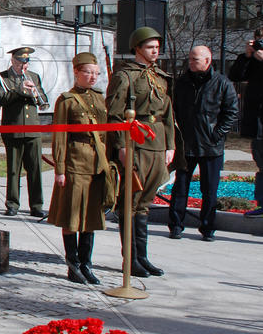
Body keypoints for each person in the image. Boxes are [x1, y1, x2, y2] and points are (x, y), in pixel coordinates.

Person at [106, 26, 175, 277]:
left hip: (157, 144)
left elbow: (168, 114)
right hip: (135, 143)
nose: (155, 51)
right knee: (131, 202)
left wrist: (170, 145)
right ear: (137, 48)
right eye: (149, 47)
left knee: (145, 202)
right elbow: (114, 115)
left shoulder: (160, 76)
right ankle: (131, 259)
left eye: (157, 47)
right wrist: (121, 146)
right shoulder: (125, 76)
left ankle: (143, 257)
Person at [48, 53, 107, 284]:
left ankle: (86, 264)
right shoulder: (67, 100)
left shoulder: (100, 98)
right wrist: (60, 169)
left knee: (91, 215)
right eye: (88, 72)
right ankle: (73, 266)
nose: (93, 77)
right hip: (75, 162)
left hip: (96, 164)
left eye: (96, 73)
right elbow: (60, 136)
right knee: (71, 216)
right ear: (76, 72)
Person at [169, 46, 238, 240]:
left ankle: (208, 228)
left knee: (209, 190)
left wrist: (217, 134)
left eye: (195, 59)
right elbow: (173, 109)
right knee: (180, 187)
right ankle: (175, 225)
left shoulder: (222, 83)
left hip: (211, 146)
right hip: (186, 144)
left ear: (207, 60)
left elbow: (231, 112)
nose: (191, 62)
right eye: (190, 59)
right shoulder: (182, 83)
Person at [0, 46, 50, 217]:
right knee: (13, 169)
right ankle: (12, 204)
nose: (23, 66)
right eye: (20, 63)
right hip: (13, 128)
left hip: (33, 129)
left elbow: (44, 99)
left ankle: (36, 205)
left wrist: (36, 94)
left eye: (26, 63)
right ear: (13, 61)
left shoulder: (34, 76)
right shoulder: (2, 77)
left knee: (35, 169)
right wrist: (18, 90)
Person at [228, 29, 263, 218]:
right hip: (258, 122)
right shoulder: (253, 60)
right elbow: (235, 75)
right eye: (258, 40)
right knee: (261, 163)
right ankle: (262, 205)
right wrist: (246, 56)